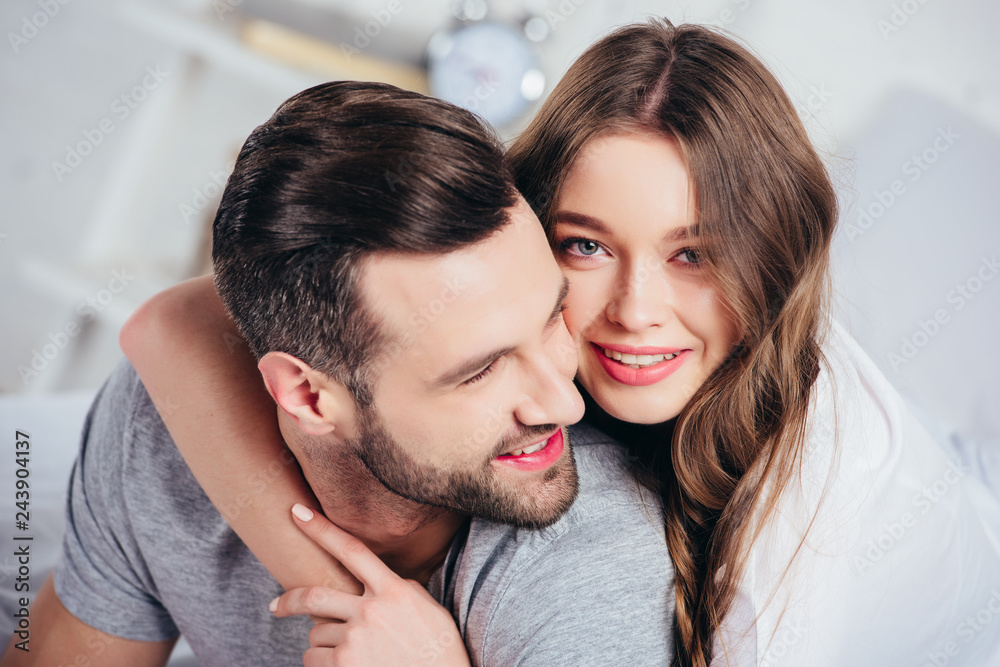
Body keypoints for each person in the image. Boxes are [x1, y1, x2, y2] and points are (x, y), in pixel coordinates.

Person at [109, 18, 1000, 667]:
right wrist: (353, 597)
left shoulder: (799, 562)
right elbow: (174, 323)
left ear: (769, 260)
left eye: (694, 254)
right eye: (587, 245)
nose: (635, 311)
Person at [0, 82, 676, 667]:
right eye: (482, 370)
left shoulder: (584, 563)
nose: (563, 400)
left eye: (553, 316)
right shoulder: (163, 425)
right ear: (305, 395)